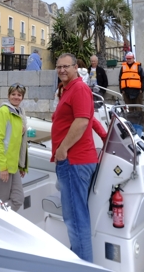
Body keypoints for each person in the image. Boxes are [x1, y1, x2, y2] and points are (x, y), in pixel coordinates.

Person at [51, 53, 97, 263]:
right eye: (59, 66)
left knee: (76, 220)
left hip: (73, 161)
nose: (62, 70)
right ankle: (78, 259)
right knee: (77, 218)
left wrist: (62, 150)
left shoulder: (78, 88)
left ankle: (83, 265)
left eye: (66, 66)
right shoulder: (69, 89)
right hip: (75, 161)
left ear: (76, 67)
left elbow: (82, 121)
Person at [0, 84, 29, 211]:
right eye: (13, 94)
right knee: (3, 203)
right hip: (0, 165)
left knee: (18, 199)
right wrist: (2, 167)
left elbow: (18, 143)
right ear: (8, 96)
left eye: (19, 95)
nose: (16, 97)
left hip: (12, 164)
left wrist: (21, 165)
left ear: (22, 98)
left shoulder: (19, 113)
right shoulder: (3, 112)